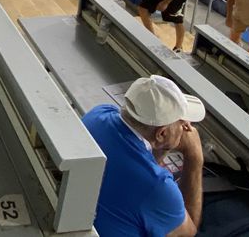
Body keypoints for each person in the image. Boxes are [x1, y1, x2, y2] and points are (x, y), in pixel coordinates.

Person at [81, 76, 205, 237]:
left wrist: (165, 145)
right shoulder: (158, 187)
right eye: (181, 122)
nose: (186, 126)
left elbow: (140, 158)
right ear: (161, 133)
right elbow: (187, 233)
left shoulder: (98, 114)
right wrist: (194, 158)